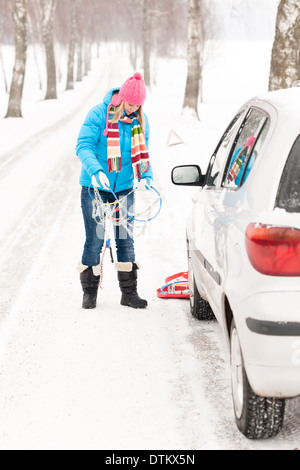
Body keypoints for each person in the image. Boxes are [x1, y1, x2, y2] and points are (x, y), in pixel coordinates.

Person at [75, 72, 153, 310]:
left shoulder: (141, 120)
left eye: (138, 105)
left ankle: (129, 294)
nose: (133, 109)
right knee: (95, 240)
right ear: (121, 99)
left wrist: (147, 177)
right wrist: (96, 170)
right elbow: (83, 145)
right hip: (95, 188)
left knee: (125, 240)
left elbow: (144, 153)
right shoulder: (98, 114)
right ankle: (90, 293)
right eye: (131, 104)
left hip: (124, 190)